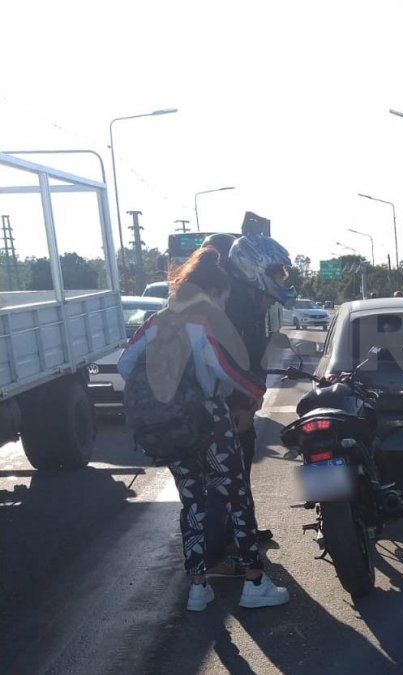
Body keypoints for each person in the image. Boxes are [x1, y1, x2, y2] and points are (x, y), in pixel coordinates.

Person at [119, 247, 290, 611]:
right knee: (237, 500)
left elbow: (125, 363)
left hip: (169, 429)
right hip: (210, 424)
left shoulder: (156, 320)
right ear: (213, 293)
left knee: (193, 503)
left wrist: (167, 394)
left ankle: (198, 586)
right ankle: (254, 583)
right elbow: (226, 370)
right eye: (224, 296)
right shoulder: (203, 323)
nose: (225, 303)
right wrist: (256, 391)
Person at [201, 231, 295, 575]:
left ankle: (241, 534)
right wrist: (241, 403)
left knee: (239, 472)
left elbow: (252, 359)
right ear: (253, 268)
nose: (280, 281)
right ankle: (215, 556)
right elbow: (227, 363)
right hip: (217, 409)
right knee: (222, 480)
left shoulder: (250, 302)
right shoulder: (231, 304)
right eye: (276, 273)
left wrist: (252, 399)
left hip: (236, 405)